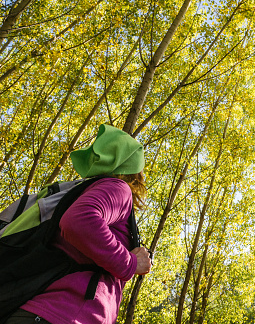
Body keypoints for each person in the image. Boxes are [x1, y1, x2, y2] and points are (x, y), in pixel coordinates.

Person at [5, 124, 152, 324]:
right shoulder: (118, 188)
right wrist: (131, 263)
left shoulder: (88, 190)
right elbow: (79, 221)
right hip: (61, 314)